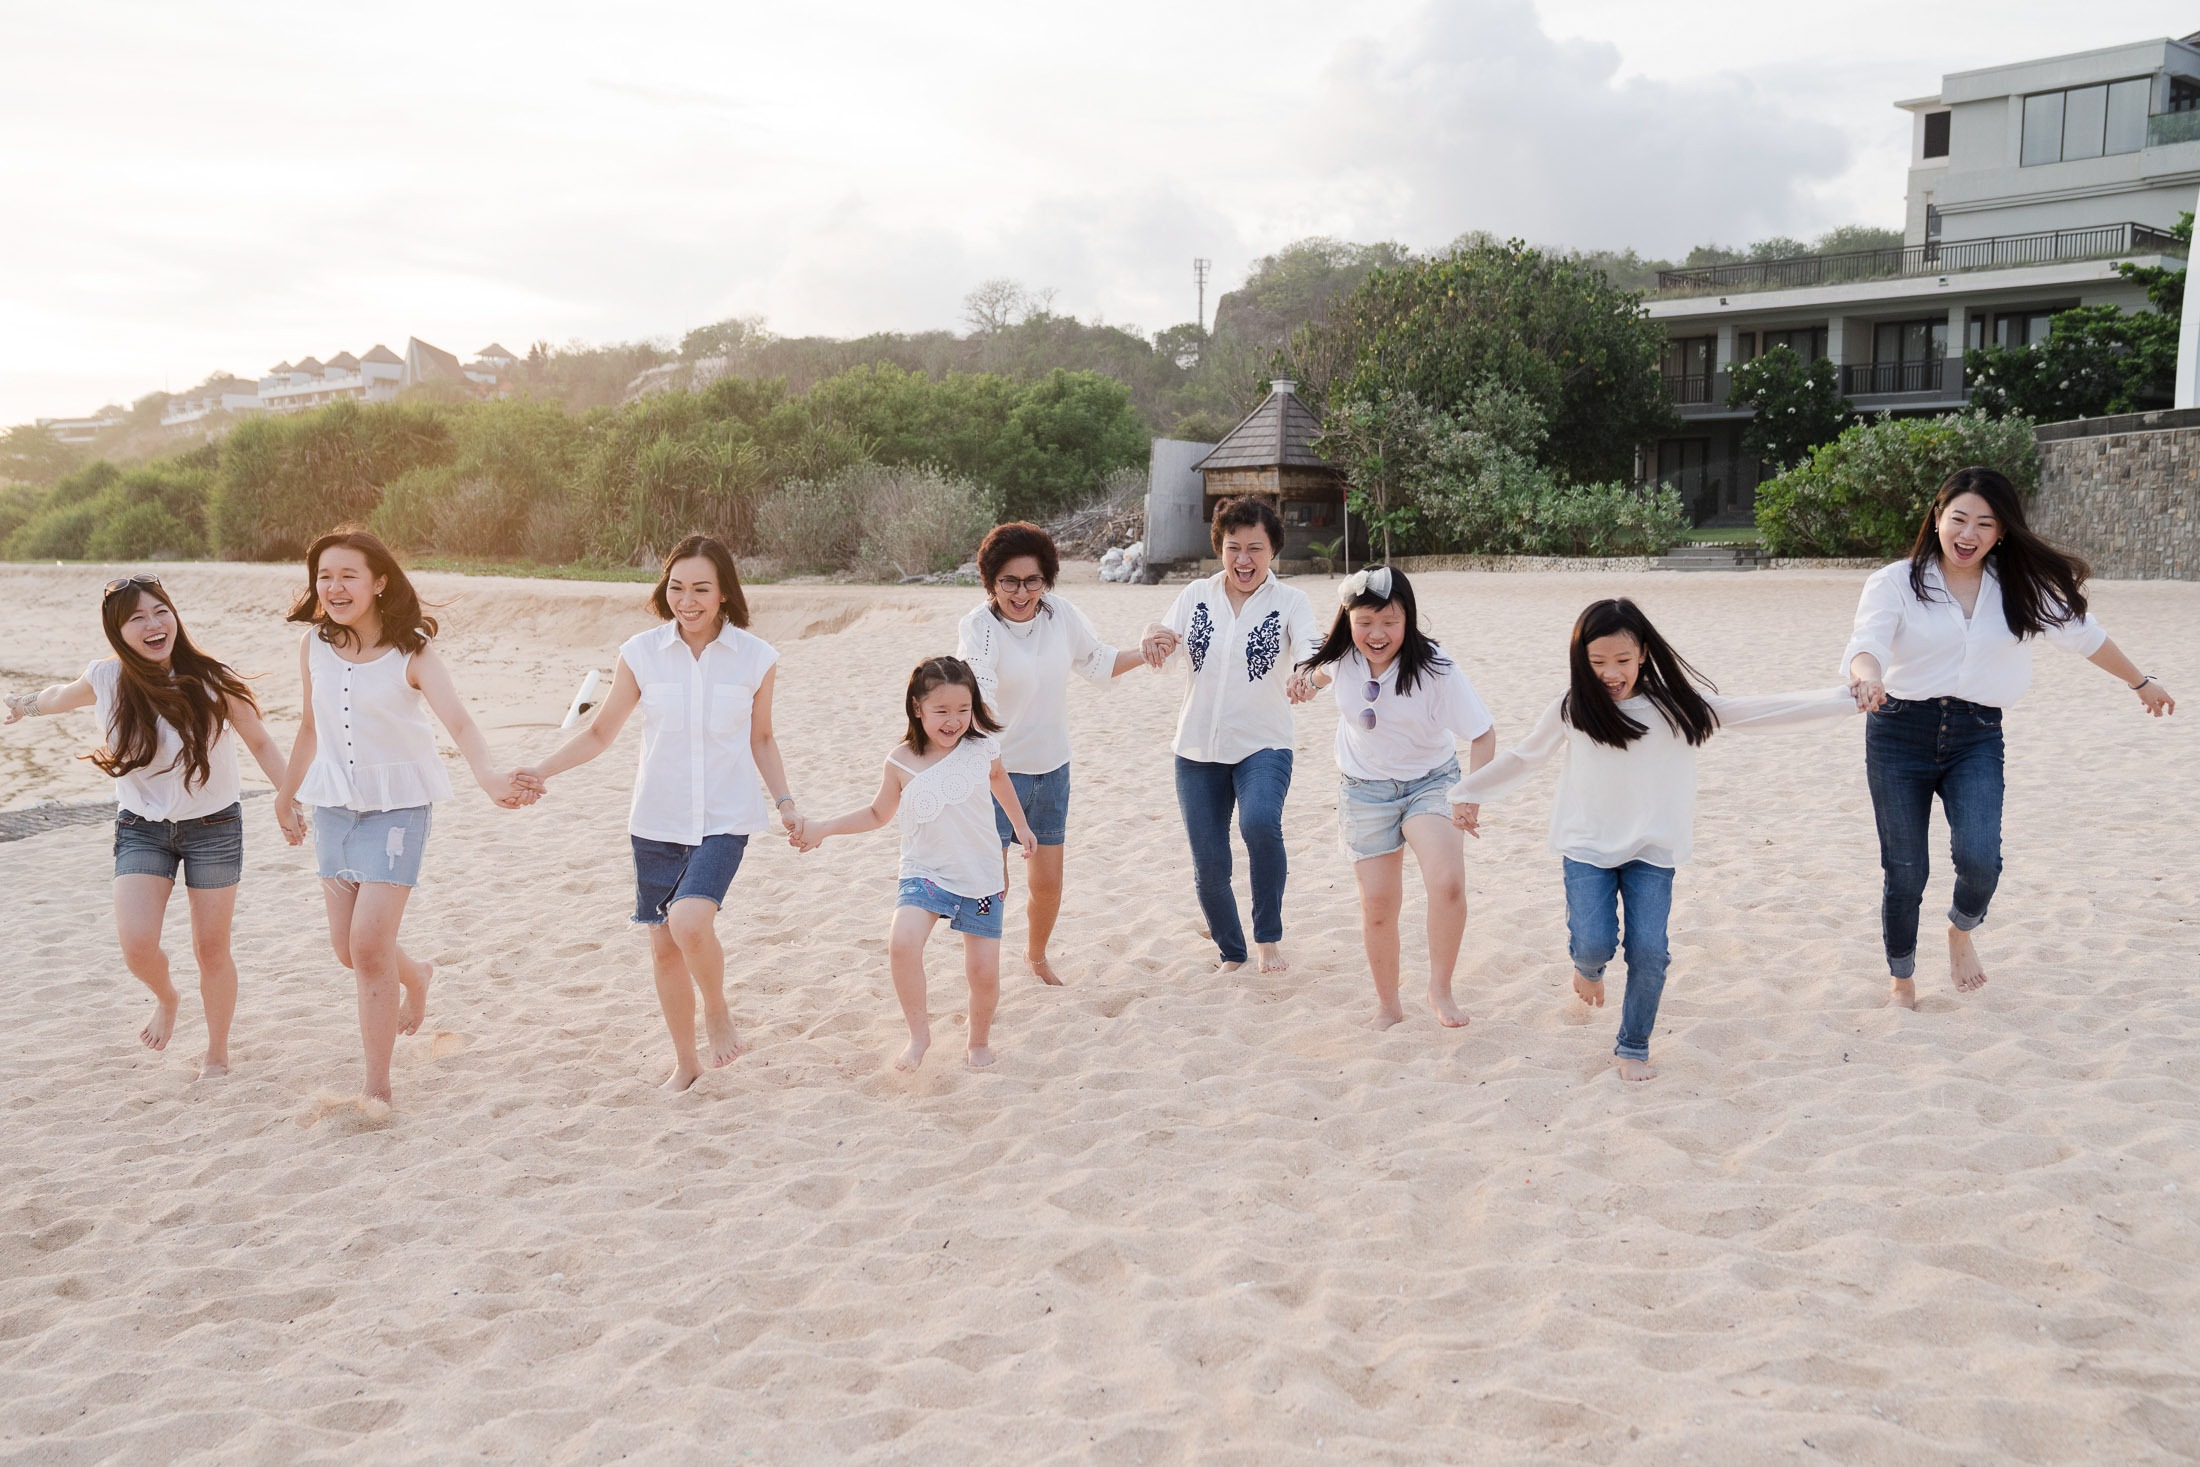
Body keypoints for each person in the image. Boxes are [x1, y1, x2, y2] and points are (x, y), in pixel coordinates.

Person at [1454, 598, 1864, 1082]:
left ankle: (1633, 1045)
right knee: (1592, 945)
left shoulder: (1675, 708)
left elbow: (1755, 711)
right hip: (1586, 848)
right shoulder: (1572, 708)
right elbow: (1525, 757)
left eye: (1622, 660)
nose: (1611, 673)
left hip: (1651, 851)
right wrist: (1467, 791)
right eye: (1597, 661)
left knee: (1649, 952)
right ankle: (1588, 969)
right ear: (1581, 659)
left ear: (1644, 654)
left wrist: (1845, 699)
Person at [1843, 465, 2175, 1009]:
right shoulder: (1895, 581)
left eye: (1985, 523)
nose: (1968, 534)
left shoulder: (2021, 586)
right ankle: (1902, 980)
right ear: (1937, 516)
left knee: (1981, 860)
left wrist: (2140, 682)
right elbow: (1868, 643)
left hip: (1976, 735)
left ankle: (1960, 930)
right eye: (1959, 519)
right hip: (1899, 730)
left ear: (2001, 532)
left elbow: (2086, 637)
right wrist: (1868, 677)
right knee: (1905, 870)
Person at [519, 535, 797, 1091]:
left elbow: (762, 738)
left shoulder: (756, 657)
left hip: (725, 817)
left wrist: (786, 804)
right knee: (664, 947)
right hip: (656, 820)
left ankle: (716, 1007)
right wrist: (542, 771)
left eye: (701, 590)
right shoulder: (641, 652)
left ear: (724, 593)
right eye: (676, 588)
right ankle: (686, 1063)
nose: (686, 601)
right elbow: (600, 732)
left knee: (689, 921)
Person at [273, 528, 534, 1111]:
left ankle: (377, 1087)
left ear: (379, 582)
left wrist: (488, 776)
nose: (334, 587)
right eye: (324, 577)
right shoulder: (314, 644)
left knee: (369, 945)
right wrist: (285, 795)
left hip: (397, 809)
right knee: (348, 949)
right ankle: (416, 976)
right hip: (333, 806)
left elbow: (459, 722)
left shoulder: (411, 652)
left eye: (348, 575)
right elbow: (310, 727)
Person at [4, 574, 293, 1077]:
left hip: (214, 826)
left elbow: (261, 742)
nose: (153, 624)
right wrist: (21, 706)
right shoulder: (106, 678)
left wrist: (288, 800)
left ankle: (217, 1054)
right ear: (118, 633)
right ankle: (167, 997)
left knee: (211, 948)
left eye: (161, 611)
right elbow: (56, 696)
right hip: (142, 827)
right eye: (137, 618)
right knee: (137, 945)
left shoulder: (212, 679)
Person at [790, 656, 1036, 1072]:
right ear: (917, 708)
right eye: (941, 711)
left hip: (981, 876)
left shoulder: (982, 749)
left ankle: (978, 1042)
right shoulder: (900, 761)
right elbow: (877, 814)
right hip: (926, 871)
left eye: (963, 709)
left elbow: (999, 781)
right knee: (902, 942)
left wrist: (1021, 826)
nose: (953, 721)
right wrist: (823, 828)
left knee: (983, 972)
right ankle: (919, 1035)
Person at [1287, 566, 1497, 1030]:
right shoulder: (1343, 656)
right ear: (1348, 620)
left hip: (1430, 784)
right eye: (1365, 622)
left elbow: (1483, 733)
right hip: (1364, 792)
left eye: (1389, 621)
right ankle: (1388, 1005)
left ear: (1408, 619)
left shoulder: (1436, 667)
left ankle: (1440, 989)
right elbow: (1318, 674)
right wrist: (1304, 685)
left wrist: (1470, 796)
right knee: (1379, 906)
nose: (1376, 634)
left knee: (1447, 882)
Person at [957, 521, 1145, 986]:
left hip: (1051, 770)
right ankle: (985, 975)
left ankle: (1036, 956)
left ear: (1046, 579)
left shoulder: (1060, 615)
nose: (1021, 593)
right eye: (1009, 582)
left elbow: (1097, 662)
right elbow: (979, 696)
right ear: (991, 581)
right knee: (992, 886)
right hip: (996, 773)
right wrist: (989, 759)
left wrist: (1146, 651)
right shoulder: (979, 627)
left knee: (1047, 885)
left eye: (1032, 581)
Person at [1140, 497, 1321, 973]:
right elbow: (1164, 646)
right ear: (1219, 547)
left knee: (1260, 824)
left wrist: (1308, 675)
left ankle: (1268, 938)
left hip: (1264, 743)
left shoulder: (1291, 602)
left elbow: (1312, 649)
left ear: (1273, 550)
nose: (1244, 559)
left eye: (1255, 548)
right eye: (1233, 547)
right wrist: (1153, 637)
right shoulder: (1195, 595)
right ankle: (1232, 952)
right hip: (1196, 748)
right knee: (1210, 865)